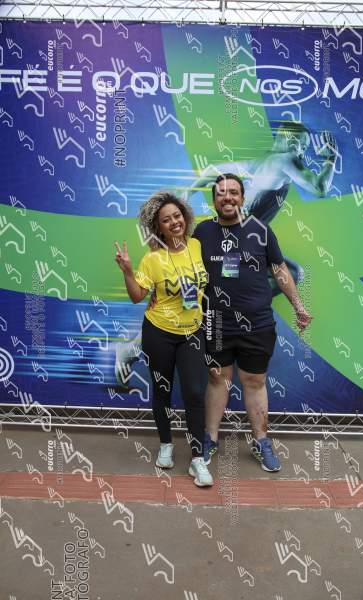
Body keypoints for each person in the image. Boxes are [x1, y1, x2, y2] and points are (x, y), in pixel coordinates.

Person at [193, 173, 313, 472]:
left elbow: (280, 269)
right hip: (216, 322)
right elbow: (187, 271)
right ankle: (210, 439)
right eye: (221, 193)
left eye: (233, 192)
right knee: (217, 378)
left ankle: (261, 441)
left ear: (242, 198)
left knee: (255, 381)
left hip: (257, 323)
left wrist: (298, 306)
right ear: (214, 200)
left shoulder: (260, 229)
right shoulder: (202, 231)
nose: (228, 197)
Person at [114, 191, 213, 487]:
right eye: (166, 220)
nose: (174, 222)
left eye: (177, 216)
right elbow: (137, 296)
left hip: (192, 331)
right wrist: (128, 271)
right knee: (162, 389)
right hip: (159, 332)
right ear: (158, 227)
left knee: (195, 392)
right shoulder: (152, 258)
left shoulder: (197, 246)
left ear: (185, 217)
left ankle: (197, 459)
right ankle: (166, 444)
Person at [187, 121, 338, 293]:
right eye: (300, 143)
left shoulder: (257, 163)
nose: (301, 151)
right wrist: (330, 159)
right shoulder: (285, 160)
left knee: (231, 288)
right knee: (293, 274)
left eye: (304, 148)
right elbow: (319, 188)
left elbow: (213, 171)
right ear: (285, 137)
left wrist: (188, 192)